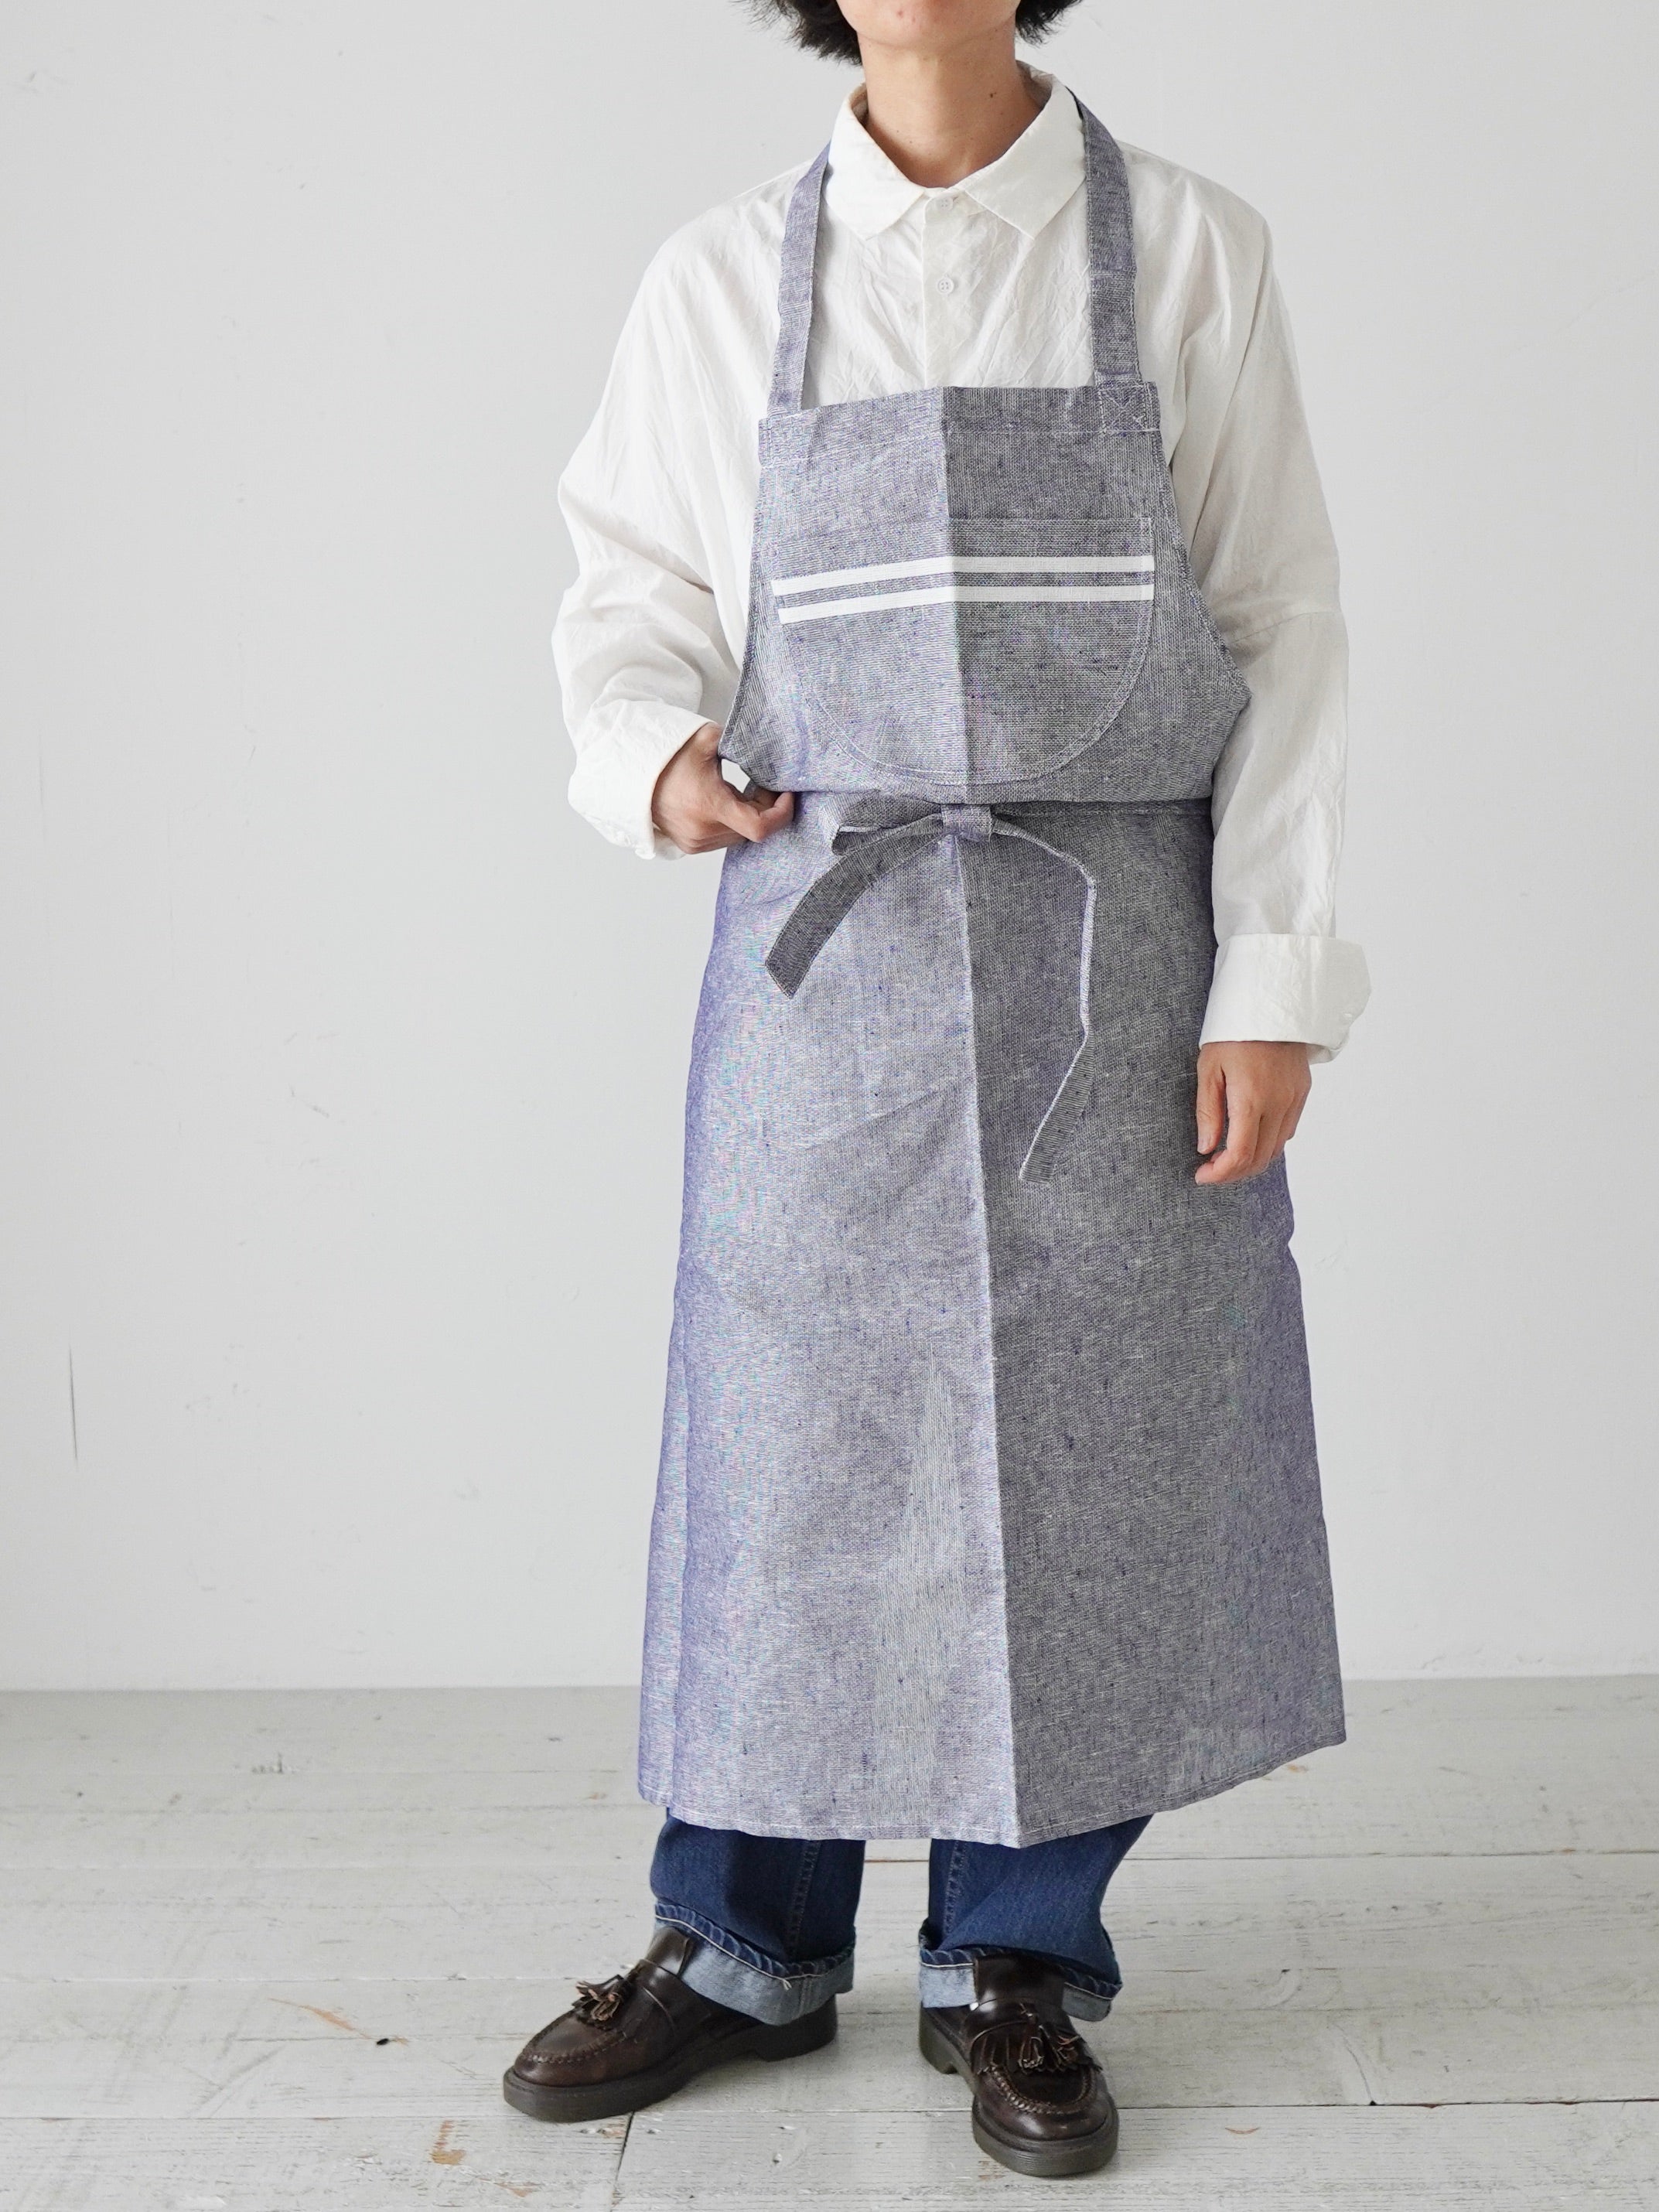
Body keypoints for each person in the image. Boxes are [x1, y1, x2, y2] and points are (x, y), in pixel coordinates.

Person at [505, 0, 1369, 2180]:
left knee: (1091, 1456)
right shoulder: (723, 274)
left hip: (1118, 944)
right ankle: (745, 1941)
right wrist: (652, 753)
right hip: (831, 941)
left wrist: (1271, 973)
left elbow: (1279, 620)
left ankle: (1018, 1959)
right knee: (792, 1447)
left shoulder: (1189, 248)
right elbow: (631, 583)